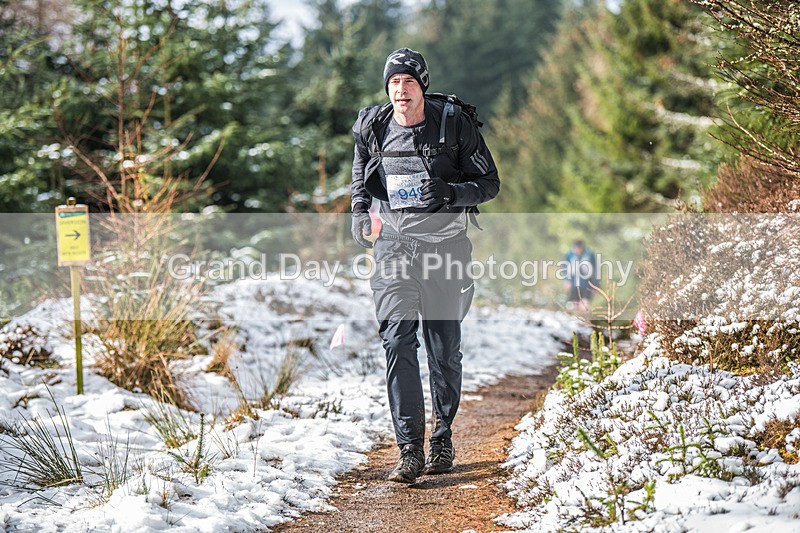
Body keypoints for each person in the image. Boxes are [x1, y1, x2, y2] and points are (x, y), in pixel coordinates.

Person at [350, 48, 499, 483]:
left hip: (446, 249)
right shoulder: (373, 125)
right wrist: (360, 208)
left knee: (443, 350)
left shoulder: (454, 124)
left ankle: (443, 437)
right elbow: (361, 165)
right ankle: (410, 448)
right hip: (394, 248)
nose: (400, 90)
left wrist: (450, 193)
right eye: (394, 82)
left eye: (408, 82)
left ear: (423, 86)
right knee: (397, 340)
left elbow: (489, 183)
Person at [564, 239, 598, 312]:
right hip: (574, 284)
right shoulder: (570, 254)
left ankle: (584, 322)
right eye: (576, 248)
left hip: (586, 284)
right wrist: (567, 281)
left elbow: (596, 271)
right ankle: (575, 322)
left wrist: (596, 286)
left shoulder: (590, 255)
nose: (578, 250)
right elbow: (565, 268)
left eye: (580, 248)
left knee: (585, 305)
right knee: (573, 305)